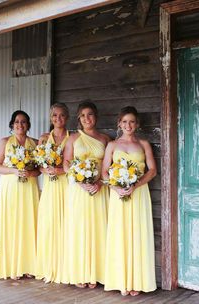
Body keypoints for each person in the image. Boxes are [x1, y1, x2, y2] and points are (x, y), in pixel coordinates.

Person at [102, 106, 157, 296]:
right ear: (119, 123)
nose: (128, 125)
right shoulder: (112, 145)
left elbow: (152, 170)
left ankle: (137, 281)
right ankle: (121, 279)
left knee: (138, 232)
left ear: (137, 124)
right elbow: (104, 172)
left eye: (132, 121)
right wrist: (115, 187)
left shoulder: (144, 144)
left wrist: (137, 184)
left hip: (139, 193)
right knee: (120, 233)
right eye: (124, 121)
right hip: (118, 195)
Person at [63, 101, 110, 288]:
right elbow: (67, 163)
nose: (86, 118)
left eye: (89, 114)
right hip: (79, 189)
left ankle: (97, 273)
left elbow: (109, 166)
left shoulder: (105, 139)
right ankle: (80, 272)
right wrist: (79, 180)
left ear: (96, 117)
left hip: (99, 188)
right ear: (78, 119)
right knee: (79, 228)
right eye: (82, 115)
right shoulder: (73, 138)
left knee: (99, 227)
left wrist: (99, 182)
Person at [0, 110, 40, 280]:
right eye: (17, 122)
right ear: (12, 124)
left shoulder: (34, 143)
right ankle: (13, 266)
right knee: (13, 222)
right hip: (11, 187)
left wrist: (31, 173)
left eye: (24, 122)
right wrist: (14, 170)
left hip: (29, 188)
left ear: (28, 125)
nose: (20, 125)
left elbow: (39, 170)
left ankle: (29, 266)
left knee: (29, 222)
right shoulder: (4, 142)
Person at [36, 103, 70, 283]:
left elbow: (72, 162)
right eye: (55, 116)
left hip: (65, 184)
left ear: (68, 117)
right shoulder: (43, 139)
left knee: (66, 221)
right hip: (49, 185)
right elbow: (38, 165)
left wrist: (61, 171)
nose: (58, 119)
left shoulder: (72, 138)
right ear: (51, 118)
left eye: (62, 115)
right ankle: (48, 265)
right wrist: (46, 170)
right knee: (49, 222)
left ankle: (66, 267)